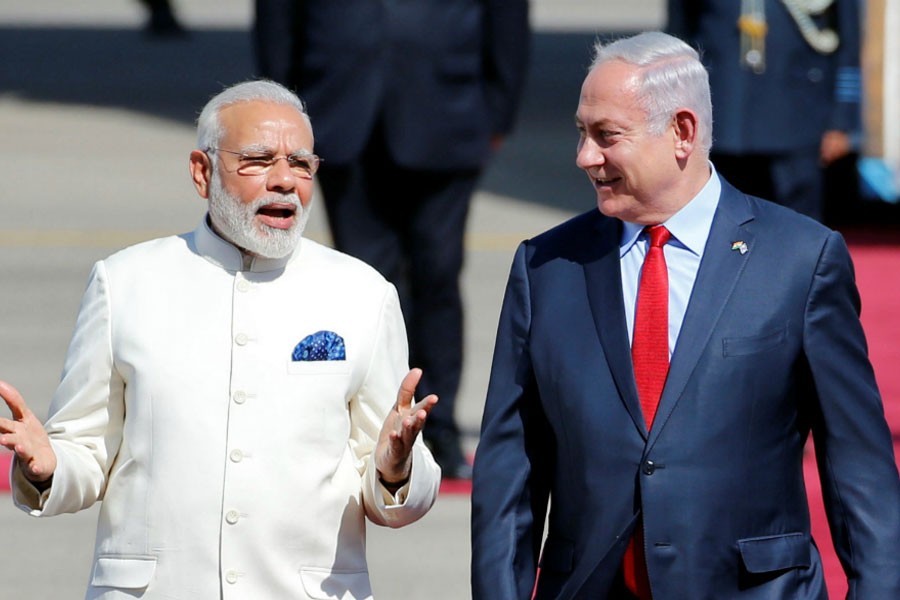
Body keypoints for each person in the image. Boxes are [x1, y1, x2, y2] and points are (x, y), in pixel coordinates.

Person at [471, 31, 900, 599]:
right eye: (582, 132)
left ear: (682, 132)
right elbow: (510, 475)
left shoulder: (800, 259)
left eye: (607, 136)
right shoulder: (546, 266)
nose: (584, 157)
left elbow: (860, 473)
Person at [0, 79, 441, 600]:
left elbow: (390, 482)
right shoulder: (125, 282)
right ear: (202, 171)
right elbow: (88, 452)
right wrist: (49, 467)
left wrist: (396, 470)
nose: (284, 181)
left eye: (301, 164)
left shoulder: (362, 294)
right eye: (258, 160)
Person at [252, 0, 531, 479]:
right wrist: (285, 115)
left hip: (447, 116)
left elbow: (505, 20)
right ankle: (369, 421)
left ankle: (437, 425)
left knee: (437, 274)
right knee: (362, 280)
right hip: (342, 115)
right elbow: (278, 20)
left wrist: (498, 112)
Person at [666, 0, 861, 223]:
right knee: (725, 218)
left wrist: (841, 121)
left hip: (798, 118)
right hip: (723, 116)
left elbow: (848, 46)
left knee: (797, 224)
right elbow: (679, 39)